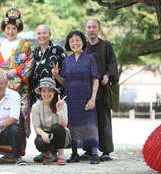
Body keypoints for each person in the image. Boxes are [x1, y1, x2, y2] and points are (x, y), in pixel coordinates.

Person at [0, 8, 33, 160]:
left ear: (18, 29)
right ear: (4, 29)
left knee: (19, 116)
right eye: (8, 28)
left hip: (19, 88)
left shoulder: (25, 46)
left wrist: (16, 71)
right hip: (0, 89)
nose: (10, 31)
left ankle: (17, 151)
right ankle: (3, 149)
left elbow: (29, 64)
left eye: (14, 28)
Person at [52, 30, 100, 164]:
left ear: (83, 42)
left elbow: (95, 79)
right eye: (71, 41)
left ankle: (95, 154)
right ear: (68, 44)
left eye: (77, 40)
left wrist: (93, 98)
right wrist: (56, 75)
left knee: (90, 124)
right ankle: (74, 154)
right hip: (71, 98)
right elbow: (64, 82)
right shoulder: (67, 60)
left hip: (86, 97)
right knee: (72, 125)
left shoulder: (90, 58)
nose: (75, 43)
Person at [82, 19, 119, 161]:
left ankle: (106, 150)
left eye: (94, 27)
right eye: (89, 27)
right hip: (86, 89)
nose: (91, 30)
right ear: (85, 30)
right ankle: (89, 150)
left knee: (103, 120)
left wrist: (107, 76)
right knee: (87, 120)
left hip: (102, 89)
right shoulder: (83, 47)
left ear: (99, 29)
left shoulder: (106, 46)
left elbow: (112, 63)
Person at [30, 24, 65, 162]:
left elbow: (65, 75)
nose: (42, 36)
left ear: (49, 35)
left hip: (54, 92)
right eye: (39, 33)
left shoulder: (57, 50)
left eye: (45, 33)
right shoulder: (35, 52)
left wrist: (56, 76)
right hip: (39, 94)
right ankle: (46, 151)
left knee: (55, 123)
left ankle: (56, 150)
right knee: (41, 123)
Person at [32, 77, 71, 165]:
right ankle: (48, 155)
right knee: (39, 141)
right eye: (44, 91)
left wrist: (59, 110)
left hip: (61, 136)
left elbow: (64, 125)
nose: (47, 94)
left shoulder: (61, 103)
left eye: (50, 90)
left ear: (54, 92)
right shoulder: (36, 107)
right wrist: (43, 134)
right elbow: (37, 128)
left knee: (56, 127)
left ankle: (61, 155)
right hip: (46, 135)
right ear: (40, 92)